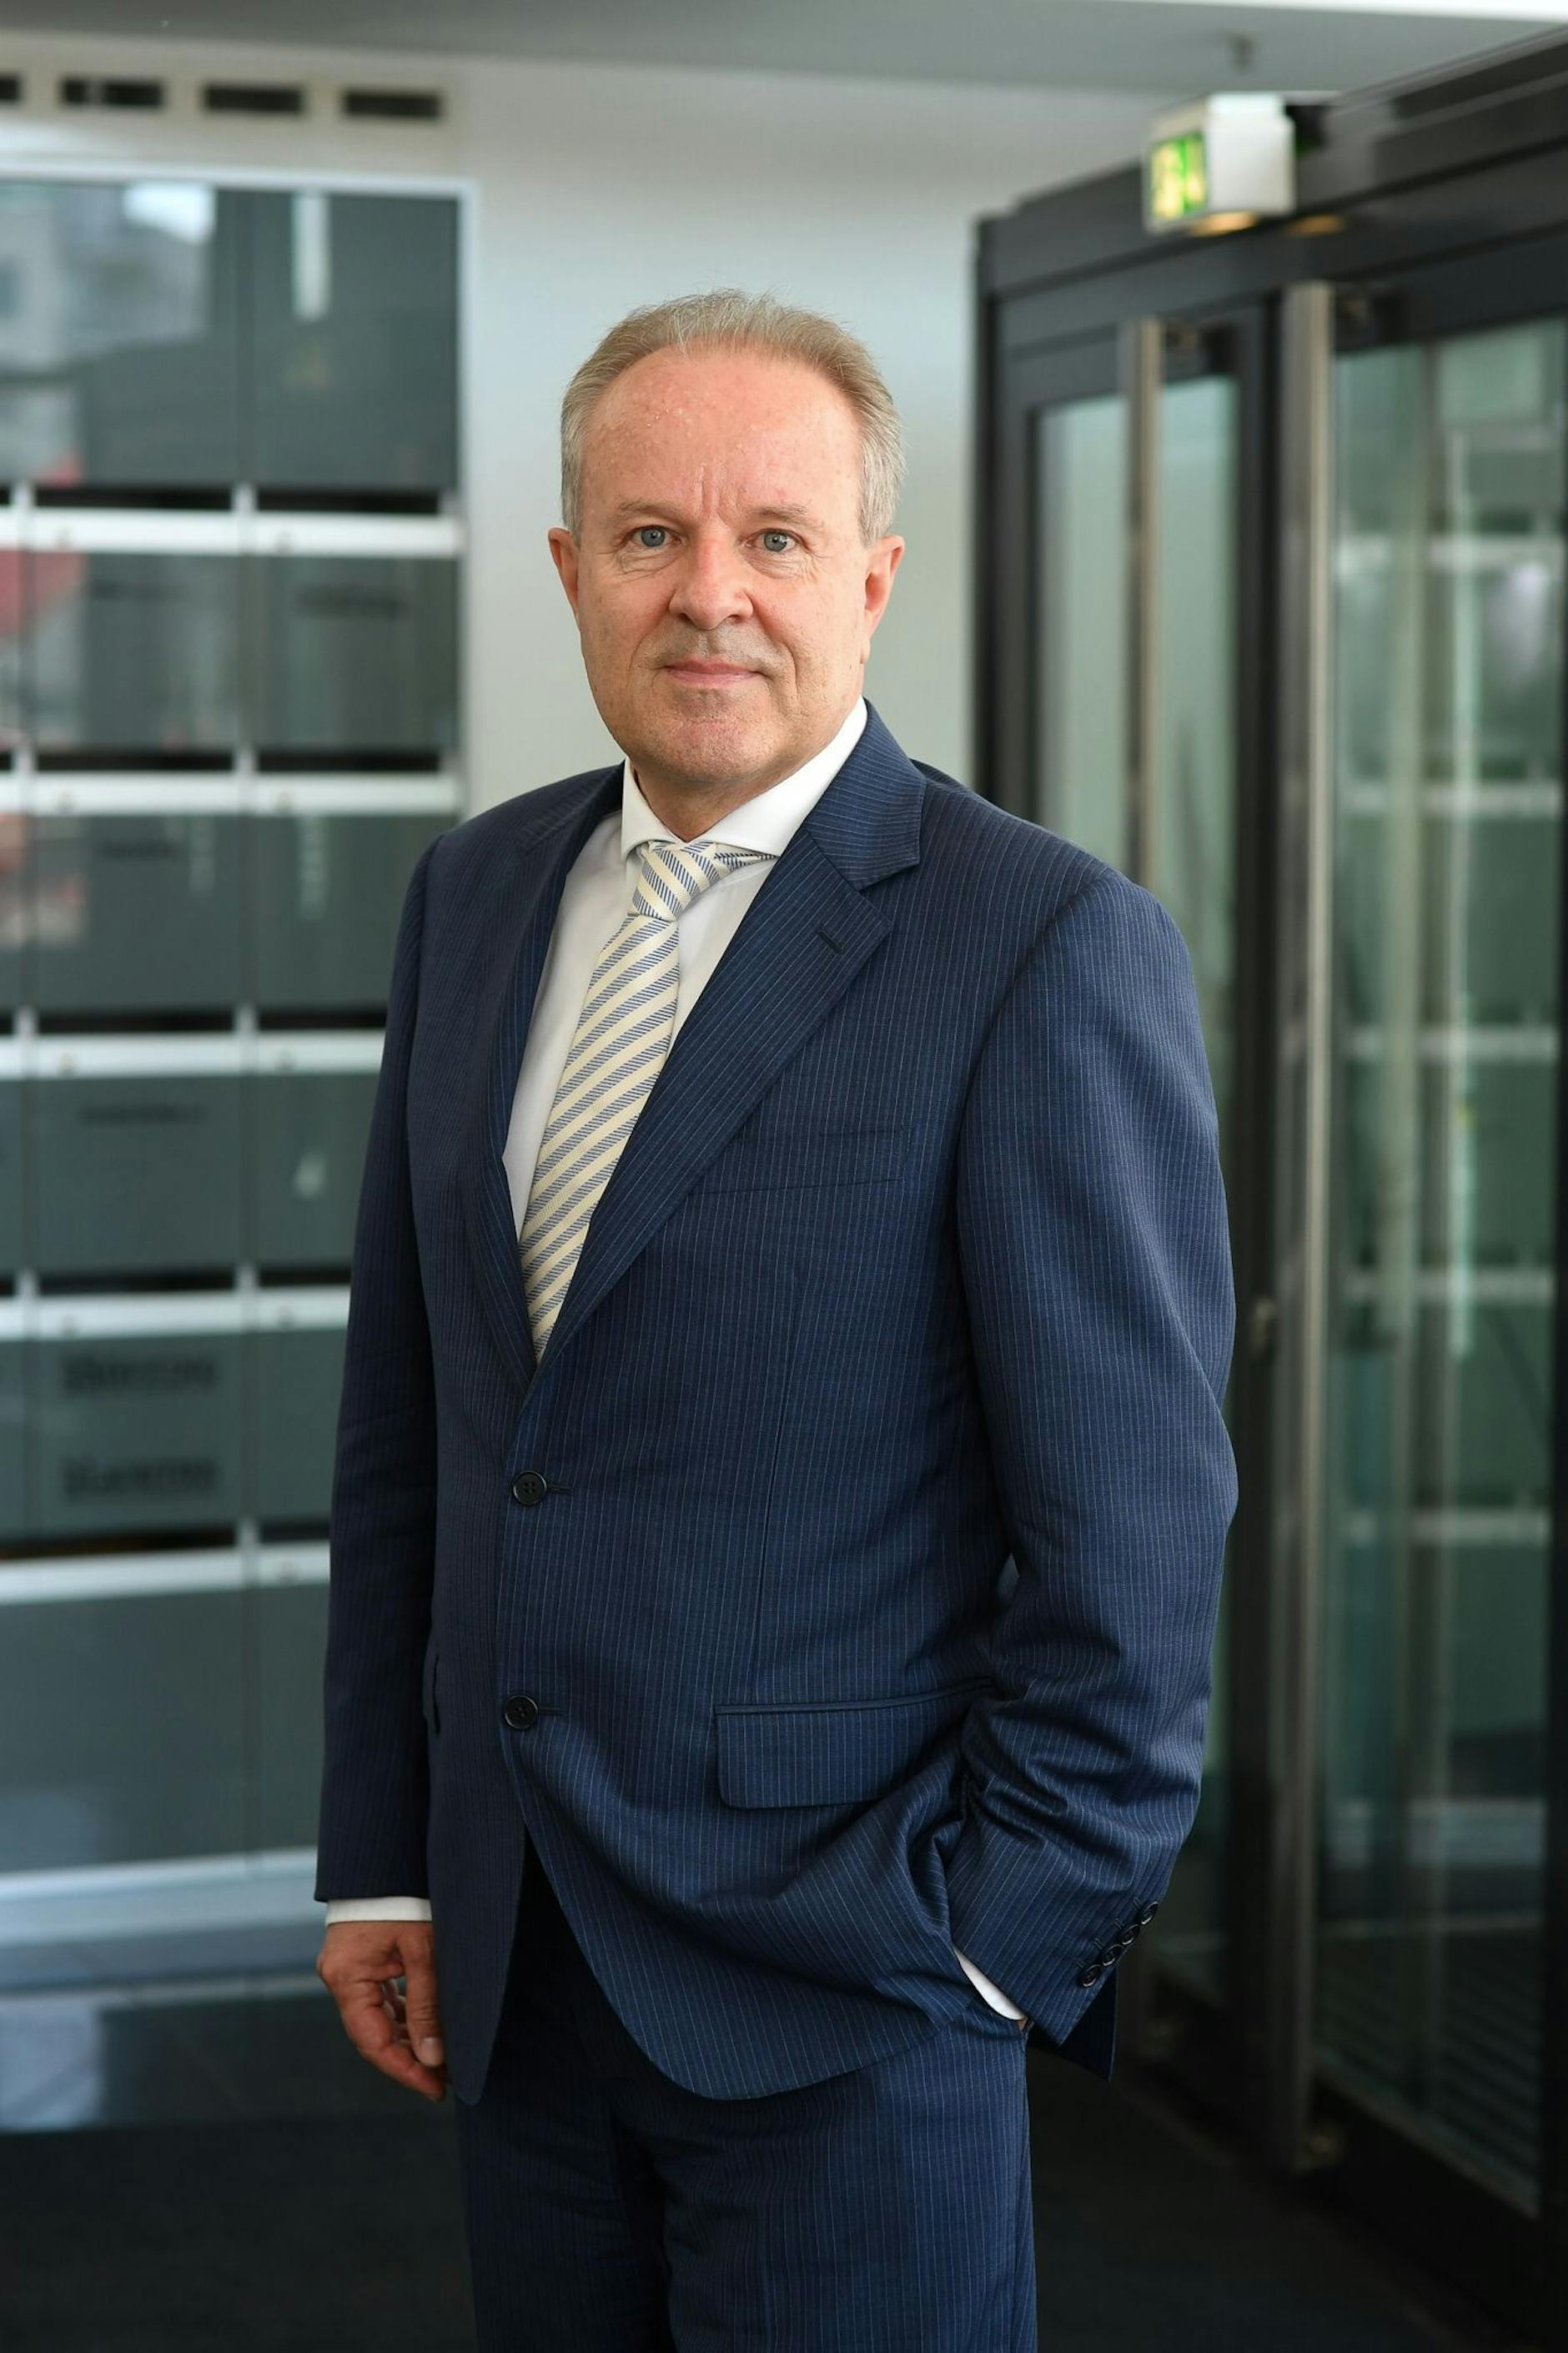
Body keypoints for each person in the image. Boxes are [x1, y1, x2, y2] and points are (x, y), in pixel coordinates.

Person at [314, 287, 1238, 2350]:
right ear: (570, 567)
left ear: (873, 577)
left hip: (852, 1993)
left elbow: (1134, 1524)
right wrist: (386, 1853)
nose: (708, 594)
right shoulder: (473, 896)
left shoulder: (1040, 942)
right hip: (517, 1968)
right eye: (649, 534)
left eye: (776, 538)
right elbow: (416, 1424)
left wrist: (995, 1945)